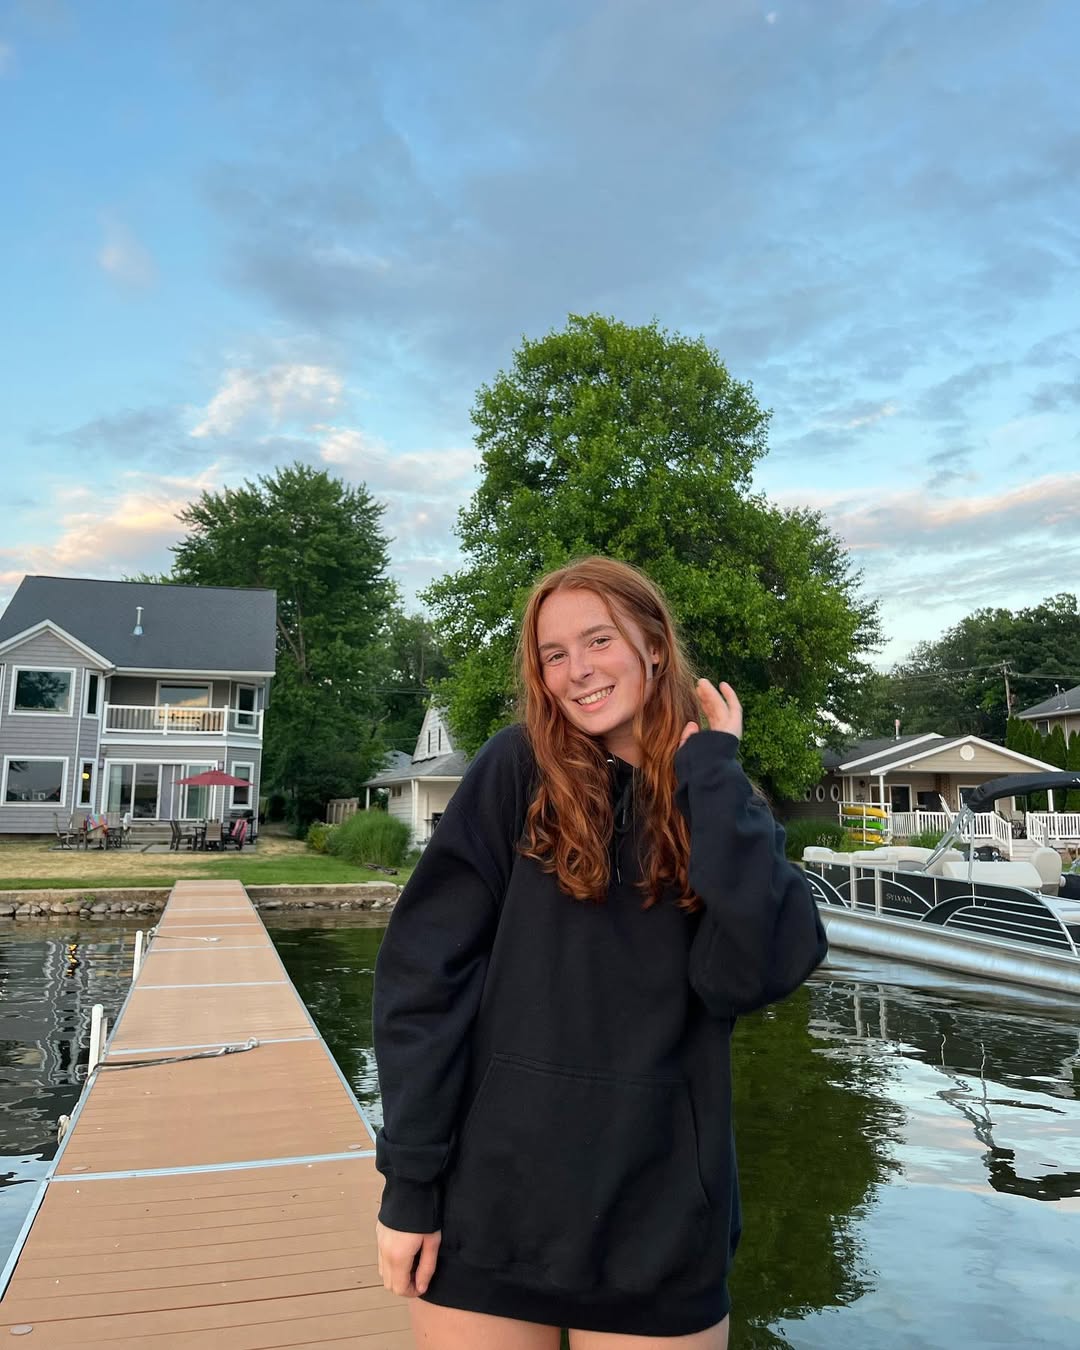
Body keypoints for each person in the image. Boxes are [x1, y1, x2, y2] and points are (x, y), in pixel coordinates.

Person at [373, 557, 828, 1349]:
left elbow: (759, 970)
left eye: (598, 640)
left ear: (653, 644)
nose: (577, 669)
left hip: (660, 1223)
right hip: (490, 1206)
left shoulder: (712, 796)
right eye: (554, 654)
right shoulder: (513, 771)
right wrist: (409, 1186)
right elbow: (423, 984)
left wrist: (714, 776)